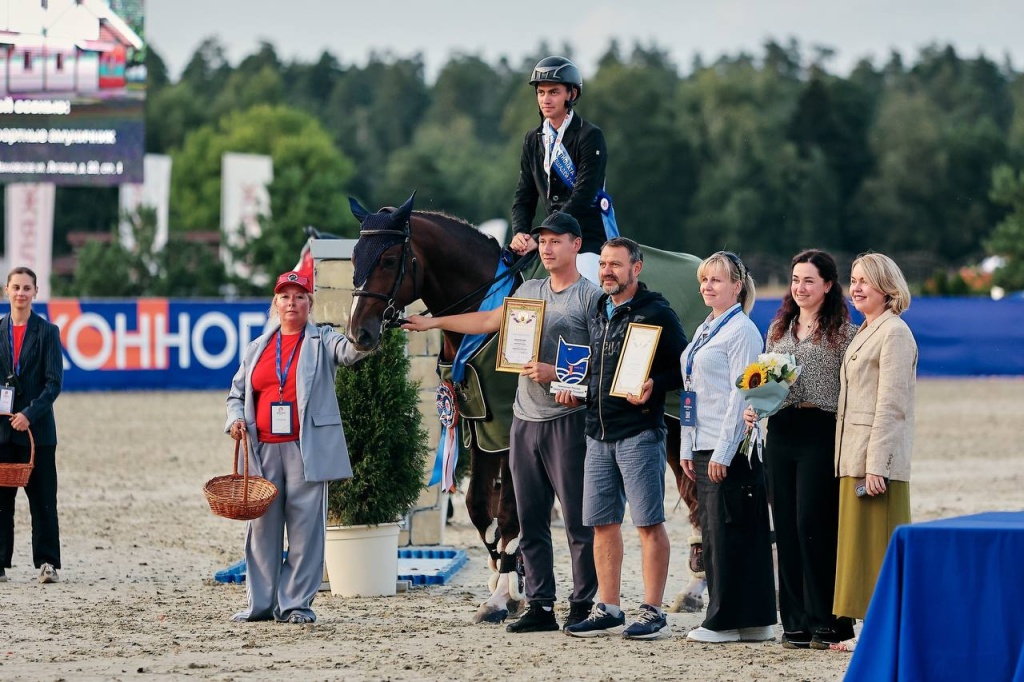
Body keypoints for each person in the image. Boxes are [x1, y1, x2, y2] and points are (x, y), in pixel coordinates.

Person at [403, 211, 601, 632]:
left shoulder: (590, 297)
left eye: (556, 241)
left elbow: (603, 360)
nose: (546, 248)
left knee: (577, 520)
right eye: (542, 241)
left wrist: (558, 375)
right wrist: (433, 320)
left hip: (565, 418)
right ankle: (542, 606)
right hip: (526, 418)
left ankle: (583, 603)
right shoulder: (529, 289)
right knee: (530, 519)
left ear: (575, 245)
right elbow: (488, 321)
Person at [561, 237, 688, 640]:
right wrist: (571, 385)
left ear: (637, 268)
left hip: (639, 433)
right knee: (602, 524)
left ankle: (652, 611)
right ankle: (609, 608)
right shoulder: (599, 307)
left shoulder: (658, 312)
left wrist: (655, 383)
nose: (606, 271)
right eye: (602, 264)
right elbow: (595, 367)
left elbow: (686, 367)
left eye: (615, 264)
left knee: (648, 523)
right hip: (596, 434)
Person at [225, 271, 368, 623]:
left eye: (299, 296)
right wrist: (235, 420)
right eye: (285, 297)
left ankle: (296, 606)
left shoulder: (323, 340)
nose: (292, 303)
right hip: (262, 451)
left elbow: (351, 353)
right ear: (276, 304)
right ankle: (260, 605)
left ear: (310, 303)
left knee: (306, 532)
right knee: (261, 531)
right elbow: (237, 394)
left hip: (306, 449)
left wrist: (367, 329)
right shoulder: (257, 347)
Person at [743, 250, 858, 649]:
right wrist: (753, 405)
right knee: (788, 527)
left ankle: (829, 620)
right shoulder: (779, 328)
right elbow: (763, 378)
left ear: (828, 284)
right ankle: (794, 620)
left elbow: (854, 391)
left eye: (809, 280)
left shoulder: (845, 333)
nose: (800, 287)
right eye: (795, 279)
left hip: (821, 429)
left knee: (815, 524)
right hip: (782, 430)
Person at [680, 251, 777, 644]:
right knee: (721, 531)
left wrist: (723, 452)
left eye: (716, 280)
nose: (707, 286)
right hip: (702, 443)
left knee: (730, 534)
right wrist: (687, 444)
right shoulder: (706, 328)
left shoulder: (743, 332)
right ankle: (753, 619)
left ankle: (724, 620)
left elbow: (743, 397)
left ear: (737, 286)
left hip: (731, 447)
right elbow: (691, 392)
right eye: (704, 280)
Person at [831, 252, 917, 648]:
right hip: (852, 455)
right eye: (853, 279)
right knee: (859, 547)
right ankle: (869, 629)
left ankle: (880, 631)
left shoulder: (895, 332)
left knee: (877, 546)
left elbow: (892, 404)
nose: (857, 287)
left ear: (887, 287)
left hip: (875, 461)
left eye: (866, 280)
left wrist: (877, 463)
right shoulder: (866, 329)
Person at [509, 56, 611, 283]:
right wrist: (522, 233)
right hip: (548, 238)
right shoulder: (533, 139)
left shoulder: (590, 136)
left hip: (585, 239)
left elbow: (582, 196)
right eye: (541, 92)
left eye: (553, 92)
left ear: (571, 95)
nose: (545, 99)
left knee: (586, 285)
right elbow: (524, 195)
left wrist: (542, 235)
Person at [0, 267, 64, 584]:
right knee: (0, 501)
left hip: (38, 432)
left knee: (43, 500)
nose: (21, 293)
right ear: (6, 291)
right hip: (2, 431)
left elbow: (53, 384)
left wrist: (29, 413)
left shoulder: (48, 332)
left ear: (36, 292)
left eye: (27, 288)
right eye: (16, 287)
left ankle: (48, 562)